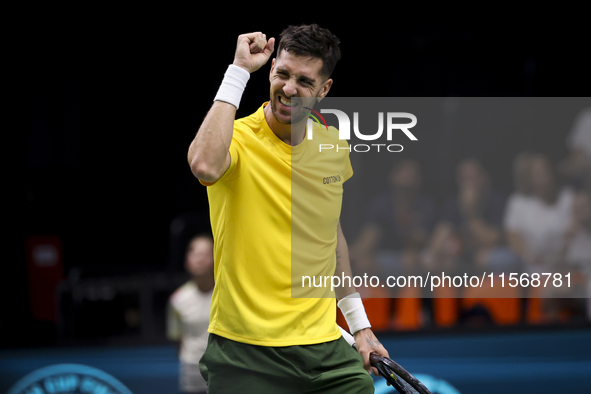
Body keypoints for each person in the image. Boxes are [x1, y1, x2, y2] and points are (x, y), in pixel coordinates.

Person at [187, 24, 387, 393]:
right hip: (244, 350)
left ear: (324, 89)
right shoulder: (237, 139)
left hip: (324, 349)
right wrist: (238, 72)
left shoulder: (332, 146)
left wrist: (360, 327)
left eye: (305, 81)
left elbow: (331, 236)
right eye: (282, 74)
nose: (290, 89)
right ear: (272, 67)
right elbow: (203, 165)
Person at [167, 233, 215, 394]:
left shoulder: (227, 295)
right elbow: (177, 338)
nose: (199, 259)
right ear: (187, 261)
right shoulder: (178, 299)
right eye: (194, 253)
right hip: (192, 372)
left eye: (205, 254)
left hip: (225, 371)